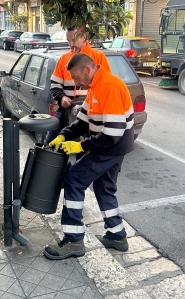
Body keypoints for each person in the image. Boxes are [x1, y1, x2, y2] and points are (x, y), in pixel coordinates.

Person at [44, 53, 134, 260]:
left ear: (87, 69)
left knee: (74, 179)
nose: (75, 83)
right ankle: (117, 235)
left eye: (76, 78)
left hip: (111, 147)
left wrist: (80, 146)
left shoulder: (109, 87)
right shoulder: (95, 87)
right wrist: (63, 135)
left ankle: (73, 240)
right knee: (104, 188)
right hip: (111, 146)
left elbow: (112, 134)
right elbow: (82, 122)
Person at [45, 26, 111, 144]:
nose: (70, 44)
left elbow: (105, 85)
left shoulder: (99, 57)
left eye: (73, 40)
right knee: (51, 140)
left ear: (83, 37)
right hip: (67, 108)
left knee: (86, 145)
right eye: (68, 40)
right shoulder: (63, 59)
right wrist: (62, 98)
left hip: (90, 109)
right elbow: (55, 85)